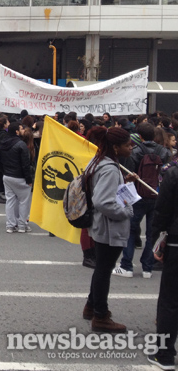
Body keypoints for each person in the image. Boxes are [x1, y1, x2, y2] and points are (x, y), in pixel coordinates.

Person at [82, 126, 135, 333]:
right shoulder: (110, 168)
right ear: (115, 147)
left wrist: (125, 183)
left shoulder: (101, 161)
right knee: (104, 270)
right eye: (127, 144)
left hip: (101, 225)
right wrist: (126, 212)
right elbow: (103, 201)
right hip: (109, 227)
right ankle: (101, 315)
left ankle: (91, 306)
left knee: (102, 269)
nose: (131, 148)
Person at [113, 122, 171, 279]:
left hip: (138, 195)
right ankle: (147, 267)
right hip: (157, 195)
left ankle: (127, 266)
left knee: (131, 230)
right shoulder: (164, 152)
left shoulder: (135, 152)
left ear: (139, 136)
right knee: (152, 233)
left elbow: (130, 174)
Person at [148, 156, 178, 370]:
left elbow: (162, 210)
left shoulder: (174, 173)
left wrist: (157, 237)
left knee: (170, 299)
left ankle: (165, 353)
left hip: (177, 242)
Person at [0, 122, 33, 233]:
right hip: (20, 177)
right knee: (23, 201)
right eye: (21, 128)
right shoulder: (21, 144)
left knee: (10, 201)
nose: (22, 130)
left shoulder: (3, 143)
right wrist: (28, 179)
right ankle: (22, 225)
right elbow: (25, 164)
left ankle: (10, 225)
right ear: (17, 132)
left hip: (7, 176)